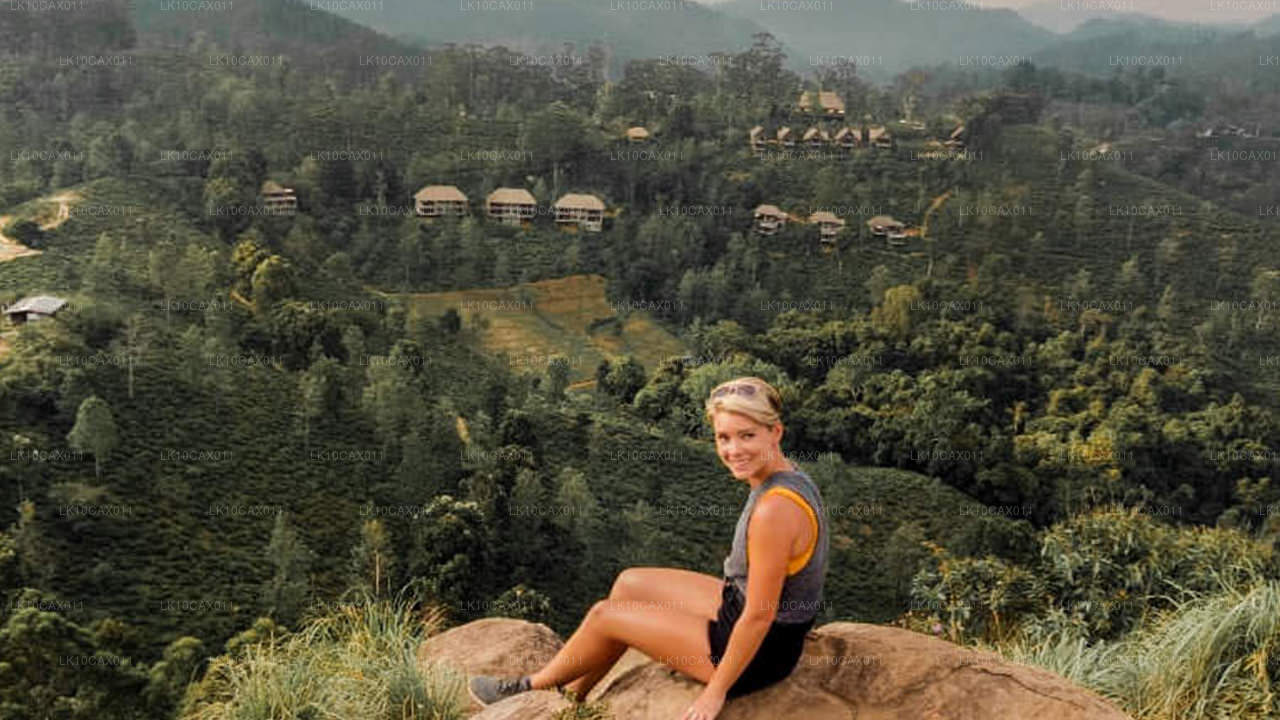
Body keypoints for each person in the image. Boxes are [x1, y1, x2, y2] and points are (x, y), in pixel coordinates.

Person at [470, 376, 829, 720]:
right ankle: (571, 698)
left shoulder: (773, 510)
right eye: (724, 437)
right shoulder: (792, 476)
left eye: (747, 435)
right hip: (747, 613)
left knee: (604, 616)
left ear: (775, 432)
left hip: (758, 653)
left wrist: (715, 691)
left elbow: (759, 615)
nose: (733, 450)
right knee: (629, 583)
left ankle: (531, 687)